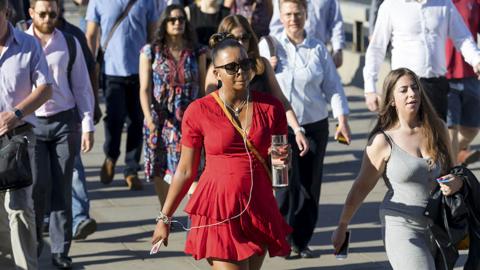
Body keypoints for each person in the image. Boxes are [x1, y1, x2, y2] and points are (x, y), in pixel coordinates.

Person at [151, 33, 292, 269]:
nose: (241, 71)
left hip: (259, 205)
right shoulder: (199, 111)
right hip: (218, 208)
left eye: (245, 64)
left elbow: (280, 169)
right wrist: (164, 217)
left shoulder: (271, 108)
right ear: (216, 73)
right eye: (231, 67)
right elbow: (185, 170)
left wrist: (282, 161)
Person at [332, 68, 464, 269]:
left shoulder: (438, 128)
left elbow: (452, 171)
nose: (412, 93)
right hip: (401, 225)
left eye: (414, 88)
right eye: (403, 90)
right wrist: (342, 225)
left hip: (438, 227)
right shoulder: (383, 141)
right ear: (392, 100)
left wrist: (456, 182)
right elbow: (361, 186)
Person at [259, 0, 350, 258]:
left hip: (314, 127)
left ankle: (302, 240)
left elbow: (333, 87)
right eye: (287, 14)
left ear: (306, 15)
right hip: (280, 129)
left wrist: (341, 117)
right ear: (280, 15)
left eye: (298, 14)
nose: (293, 19)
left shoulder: (318, 48)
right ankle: (282, 240)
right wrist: (266, 68)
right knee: (283, 186)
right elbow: (254, 81)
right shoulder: (269, 46)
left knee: (310, 187)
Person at [27, 0, 95, 268]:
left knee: (62, 188)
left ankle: (60, 251)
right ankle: (32, 245)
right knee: (37, 188)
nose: (47, 18)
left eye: (52, 13)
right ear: (30, 12)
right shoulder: (21, 41)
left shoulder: (68, 42)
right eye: (42, 13)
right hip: (32, 124)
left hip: (64, 122)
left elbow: (81, 86)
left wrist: (87, 123)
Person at [205, 14, 309, 156]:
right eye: (235, 39)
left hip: (265, 139)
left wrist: (297, 130)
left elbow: (281, 101)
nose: (241, 43)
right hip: (232, 141)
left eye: (244, 37)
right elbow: (210, 109)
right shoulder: (216, 70)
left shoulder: (262, 65)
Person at [86, 0, 160, 190]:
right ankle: (111, 156)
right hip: (112, 71)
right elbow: (91, 34)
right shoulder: (98, 1)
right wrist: (88, 64)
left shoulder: (147, 2)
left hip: (140, 71)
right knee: (114, 119)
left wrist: (155, 66)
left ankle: (131, 169)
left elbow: (153, 34)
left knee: (137, 121)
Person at [363, 0, 480, 120]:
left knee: (436, 137)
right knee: (405, 136)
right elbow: (377, 48)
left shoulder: (444, 3)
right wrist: (370, 88)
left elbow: (463, 38)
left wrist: (476, 60)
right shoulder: (391, 4)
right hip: (404, 87)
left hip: (436, 86)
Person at [0, 0, 52, 269]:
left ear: (6, 11)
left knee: (19, 208)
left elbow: (46, 88)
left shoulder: (28, 44)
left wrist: (16, 113)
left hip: (17, 139)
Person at [139, 4, 206, 206]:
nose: (177, 23)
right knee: (159, 167)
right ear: (164, 23)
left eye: (181, 20)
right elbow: (144, 89)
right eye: (172, 20)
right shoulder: (151, 52)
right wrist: (149, 118)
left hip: (190, 119)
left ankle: (194, 215)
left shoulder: (197, 52)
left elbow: (203, 88)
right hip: (160, 118)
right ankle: (165, 211)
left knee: (193, 169)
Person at [56, 3, 100, 240]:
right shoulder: (23, 33)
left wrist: (92, 109)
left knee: (74, 168)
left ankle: (80, 217)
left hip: (69, 114)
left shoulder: (73, 34)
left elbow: (90, 71)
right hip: (33, 118)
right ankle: (46, 218)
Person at [445, 0, 480, 167]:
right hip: (442, 75)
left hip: (471, 72)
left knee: (472, 128)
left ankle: (449, 154)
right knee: (451, 129)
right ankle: (450, 173)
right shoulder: (434, 3)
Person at [269, 0, 345, 68]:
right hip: (289, 53)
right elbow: (276, 26)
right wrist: (275, 51)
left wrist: (338, 49)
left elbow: (336, 22)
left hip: (318, 53)